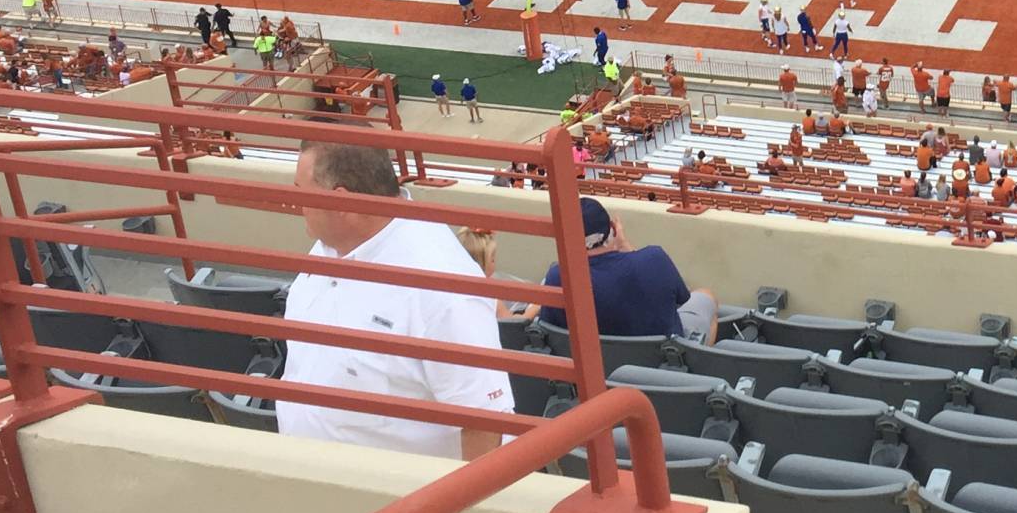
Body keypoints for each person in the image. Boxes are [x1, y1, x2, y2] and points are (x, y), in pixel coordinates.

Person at [276, 140, 511, 460]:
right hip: (319, 486)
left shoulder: (441, 285)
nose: (294, 203)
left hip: (400, 501)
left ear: (339, 201)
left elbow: (485, 424)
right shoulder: (333, 242)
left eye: (300, 191)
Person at [541, 197, 717, 343]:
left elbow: (549, 326)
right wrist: (624, 244)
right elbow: (681, 299)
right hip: (663, 364)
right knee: (706, 296)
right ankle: (697, 373)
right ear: (613, 229)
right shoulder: (654, 258)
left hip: (598, 371)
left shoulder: (557, 276)